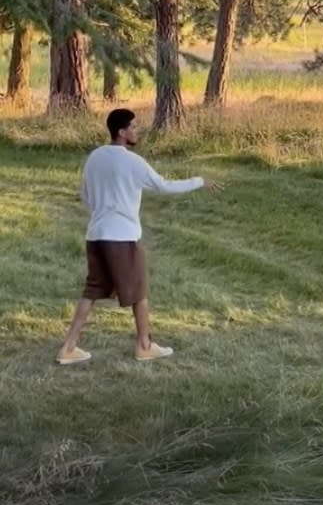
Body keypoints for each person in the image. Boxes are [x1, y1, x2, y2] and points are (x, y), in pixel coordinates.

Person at [57, 107, 221, 366]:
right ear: (122, 132)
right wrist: (199, 181)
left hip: (96, 235)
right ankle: (144, 346)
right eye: (133, 127)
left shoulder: (95, 157)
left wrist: (102, 211)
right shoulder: (133, 162)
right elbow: (164, 186)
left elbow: (85, 195)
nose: (137, 131)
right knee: (139, 291)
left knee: (92, 291)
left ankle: (68, 348)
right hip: (121, 238)